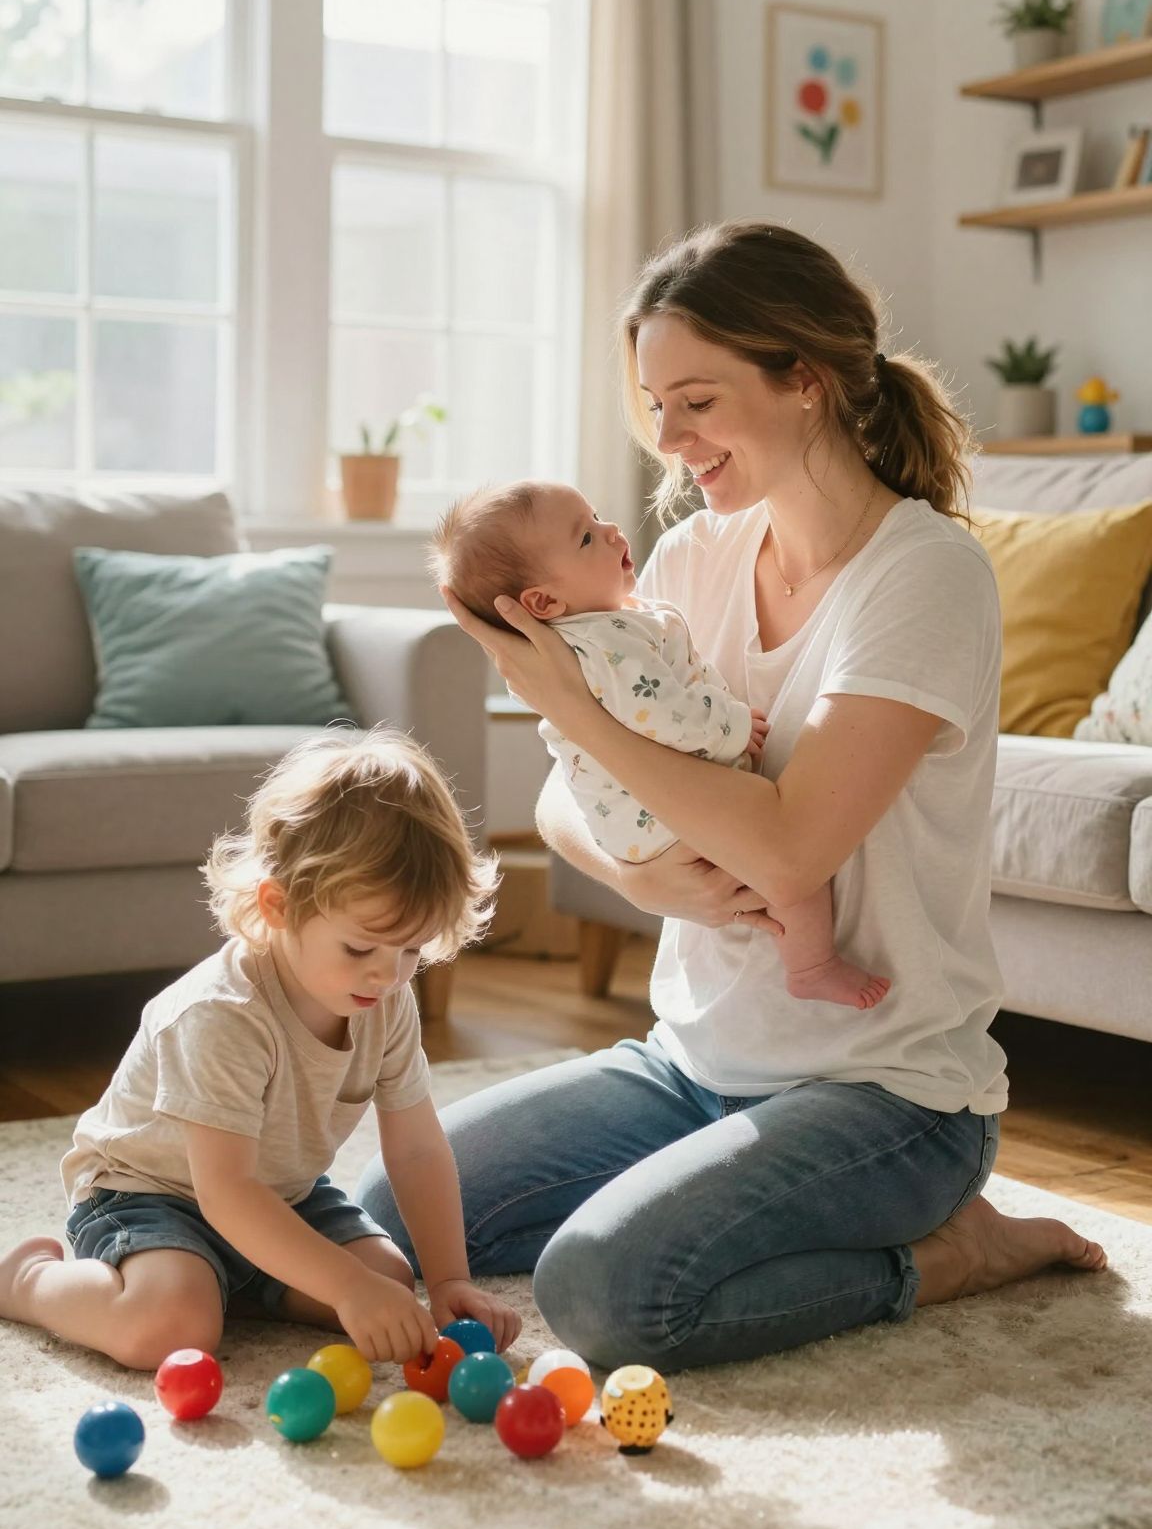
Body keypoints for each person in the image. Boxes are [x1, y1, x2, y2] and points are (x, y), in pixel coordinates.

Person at [357, 222, 1106, 1376]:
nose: (668, 439)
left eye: (695, 400)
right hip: (690, 1060)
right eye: (656, 404)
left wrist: (572, 700)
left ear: (803, 379)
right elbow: (575, 798)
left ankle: (951, 1250)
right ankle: (716, 1194)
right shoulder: (692, 558)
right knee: (393, 1210)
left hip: (888, 1094)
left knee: (607, 1290)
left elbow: (795, 848)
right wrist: (635, 869)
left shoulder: (924, 577)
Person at [0, 730, 519, 1370]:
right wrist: (341, 1285)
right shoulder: (223, 1014)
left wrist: (447, 1281)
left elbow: (413, 1146)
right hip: (153, 1194)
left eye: (411, 951)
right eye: (360, 948)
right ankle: (25, 1280)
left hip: (280, 1194)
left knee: (387, 1280)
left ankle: (234, 1279)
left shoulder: (385, 999)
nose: (387, 975)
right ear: (278, 905)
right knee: (167, 1330)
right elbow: (227, 1193)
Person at [431, 480, 889, 1010]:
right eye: (585, 538)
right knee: (795, 878)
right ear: (543, 601)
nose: (610, 532)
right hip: (657, 821)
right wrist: (733, 727)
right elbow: (665, 716)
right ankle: (813, 966)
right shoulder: (607, 647)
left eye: (598, 515)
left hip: (638, 817)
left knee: (781, 868)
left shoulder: (600, 628)